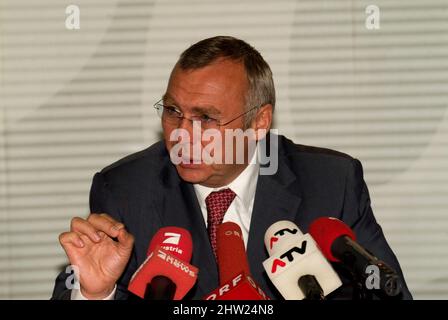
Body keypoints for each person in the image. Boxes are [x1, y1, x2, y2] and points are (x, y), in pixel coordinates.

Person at [52, 36, 412, 300]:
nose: (182, 136)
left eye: (206, 118)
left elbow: (389, 294)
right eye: (173, 111)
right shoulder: (125, 189)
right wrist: (94, 293)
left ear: (259, 123)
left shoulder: (331, 184)